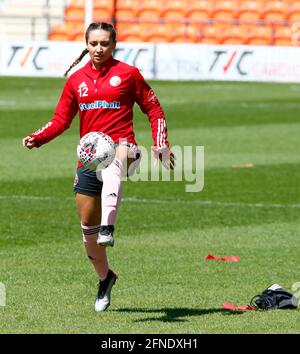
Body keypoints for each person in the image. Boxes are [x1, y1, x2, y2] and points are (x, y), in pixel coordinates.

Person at [22, 22, 175, 312]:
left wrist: (160, 144)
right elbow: (60, 120)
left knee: (115, 160)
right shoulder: (75, 80)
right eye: (94, 43)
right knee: (88, 236)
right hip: (89, 160)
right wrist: (38, 138)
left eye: (104, 43)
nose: (99, 48)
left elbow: (153, 109)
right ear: (86, 44)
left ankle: (109, 227)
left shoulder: (128, 74)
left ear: (113, 44)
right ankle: (105, 278)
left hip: (125, 149)